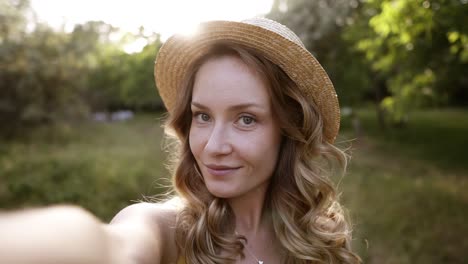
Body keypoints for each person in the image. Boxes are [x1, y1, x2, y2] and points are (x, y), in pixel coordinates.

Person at [0, 17, 361, 264]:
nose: (212, 145)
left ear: (289, 128)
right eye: (202, 116)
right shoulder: (170, 231)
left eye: (246, 119)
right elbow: (112, 245)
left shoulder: (317, 235)